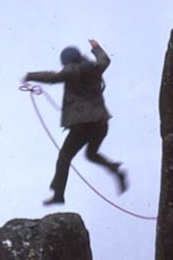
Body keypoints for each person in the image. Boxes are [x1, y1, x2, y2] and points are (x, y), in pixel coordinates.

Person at [22, 40, 128, 206]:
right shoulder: (94, 67)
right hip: (101, 123)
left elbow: (53, 77)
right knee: (91, 154)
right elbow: (105, 60)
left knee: (64, 158)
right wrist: (96, 48)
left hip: (83, 125)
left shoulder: (72, 70)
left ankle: (58, 194)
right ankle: (116, 171)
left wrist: (30, 76)